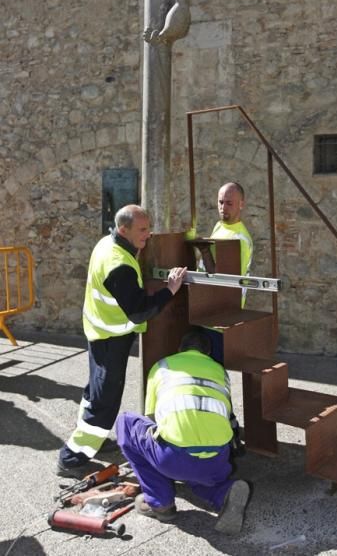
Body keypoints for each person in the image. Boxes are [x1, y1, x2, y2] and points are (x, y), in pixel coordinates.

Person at [57, 204, 187, 477]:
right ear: (123, 229)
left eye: (148, 227)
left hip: (98, 330)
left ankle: (93, 440)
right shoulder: (119, 265)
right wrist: (170, 290)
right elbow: (139, 309)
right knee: (106, 400)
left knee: (95, 390)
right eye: (142, 229)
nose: (148, 234)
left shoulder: (107, 244)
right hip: (111, 337)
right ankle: (72, 457)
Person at [116, 327, 251, 535]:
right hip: (217, 460)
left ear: (180, 349)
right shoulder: (220, 372)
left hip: (173, 458)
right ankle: (223, 493)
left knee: (126, 423)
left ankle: (159, 503)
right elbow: (226, 414)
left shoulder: (162, 366)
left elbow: (151, 418)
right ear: (207, 353)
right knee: (196, 472)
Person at [197, 182, 253, 364]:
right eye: (220, 202)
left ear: (241, 205)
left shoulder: (239, 239)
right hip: (207, 310)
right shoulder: (220, 226)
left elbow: (224, 280)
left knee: (216, 368)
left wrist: (204, 251)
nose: (223, 208)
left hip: (222, 315)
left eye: (229, 203)